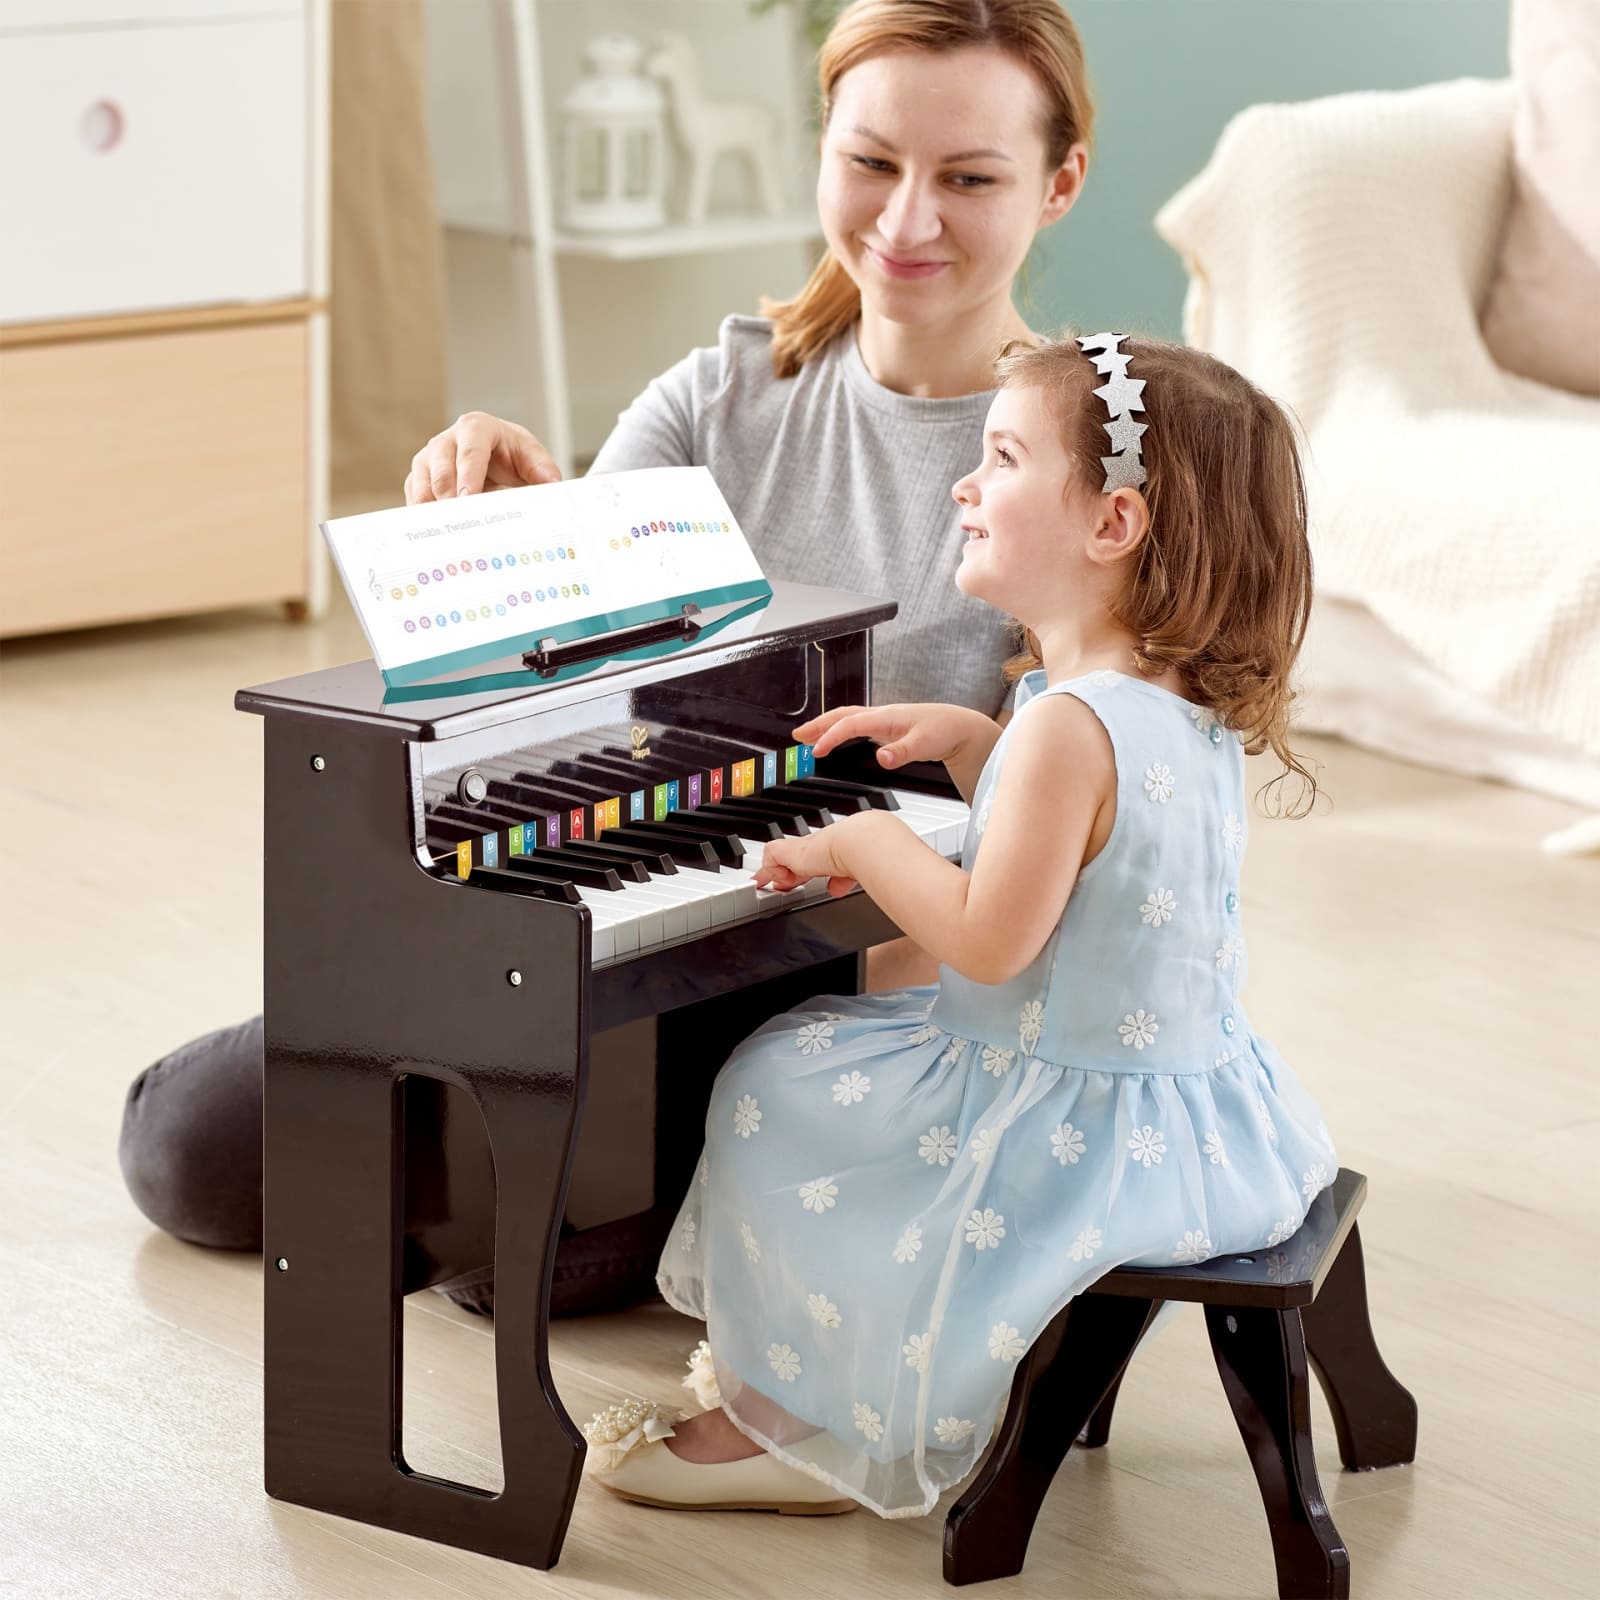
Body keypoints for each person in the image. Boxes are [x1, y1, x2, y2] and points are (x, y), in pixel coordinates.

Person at [118, 0, 1097, 1313]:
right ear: (822, 145)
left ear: (1058, 183)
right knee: (182, 1146)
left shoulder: (1068, 468)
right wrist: (499, 536)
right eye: (870, 161)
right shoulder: (717, 394)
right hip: (587, 909)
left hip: (817, 988)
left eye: (968, 178)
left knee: (525, 1257)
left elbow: (1057, 863)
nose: (906, 219)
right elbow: (549, 718)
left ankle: (481, 1183)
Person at [580, 330, 1338, 1520]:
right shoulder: (1165, 705)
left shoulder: (1067, 727)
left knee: (776, 1086)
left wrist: (858, 839)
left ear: (1112, 524)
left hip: (1055, 1124)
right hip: (1183, 1110)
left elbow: (987, 942)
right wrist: (977, 743)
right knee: (809, 1071)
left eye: (1001, 459)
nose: (963, 486)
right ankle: (812, 1389)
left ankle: (797, 1424)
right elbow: (1090, 858)